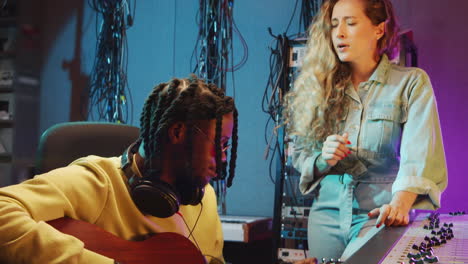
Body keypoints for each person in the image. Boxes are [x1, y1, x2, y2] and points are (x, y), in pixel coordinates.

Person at [0, 75, 238, 264]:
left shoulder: (203, 197)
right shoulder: (96, 182)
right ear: (177, 133)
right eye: (220, 145)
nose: (224, 159)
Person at [284, 0, 447, 260]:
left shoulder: (411, 83)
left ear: (379, 29)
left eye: (350, 23)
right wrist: (322, 159)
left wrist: (400, 205)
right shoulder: (318, 87)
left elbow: (420, 156)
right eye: (335, 24)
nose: (339, 33)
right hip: (325, 215)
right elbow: (301, 158)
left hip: (378, 215)